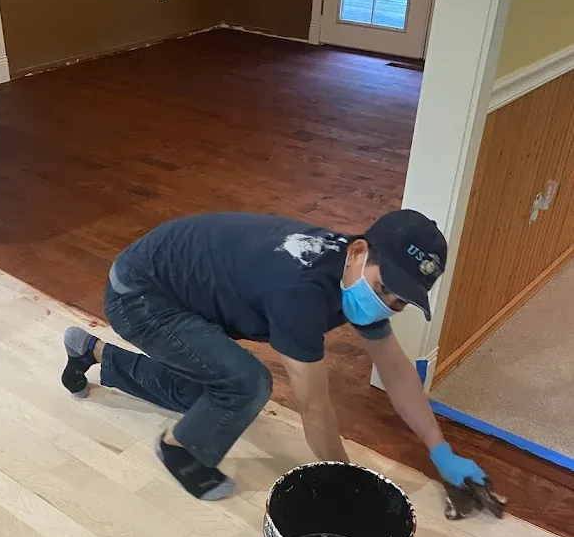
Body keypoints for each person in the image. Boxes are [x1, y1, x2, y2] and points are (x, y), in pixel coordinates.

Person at [62, 210, 488, 501]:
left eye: (401, 300)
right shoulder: (301, 292)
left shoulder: (351, 278)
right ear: (358, 251)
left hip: (180, 291)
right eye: (384, 288)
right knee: (246, 384)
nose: (388, 304)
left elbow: (395, 370)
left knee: (211, 396)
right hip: (139, 294)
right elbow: (313, 406)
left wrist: (439, 450)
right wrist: (346, 482)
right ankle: (180, 450)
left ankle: (92, 352)